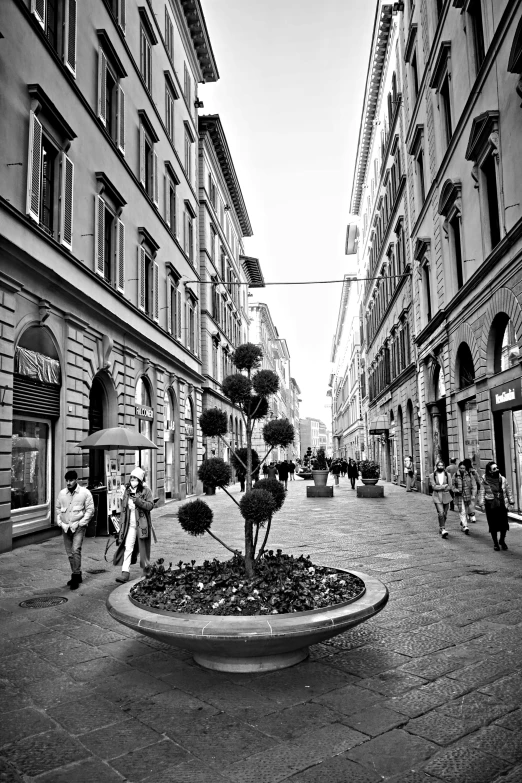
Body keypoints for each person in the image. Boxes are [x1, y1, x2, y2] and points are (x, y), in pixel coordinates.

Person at [113, 467, 155, 583]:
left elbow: (150, 506)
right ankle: (125, 572)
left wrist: (138, 501)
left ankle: (146, 571)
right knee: (128, 547)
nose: (132, 479)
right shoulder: (126, 490)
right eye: (131, 477)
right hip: (129, 525)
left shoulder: (146, 490)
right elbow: (123, 509)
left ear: (140, 480)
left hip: (142, 525)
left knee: (143, 549)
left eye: (135, 478)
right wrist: (121, 525)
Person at [56, 470, 94, 590]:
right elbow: (58, 508)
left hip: (78, 527)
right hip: (66, 527)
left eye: (71, 480)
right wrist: (61, 522)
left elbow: (90, 510)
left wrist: (82, 523)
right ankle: (77, 573)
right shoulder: (62, 494)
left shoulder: (85, 493)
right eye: (67, 480)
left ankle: (75, 576)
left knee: (75, 550)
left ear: (76, 480)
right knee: (69, 553)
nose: (68, 483)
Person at [477, 461, 515, 551]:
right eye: (494, 469)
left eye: (497, 468)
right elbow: (482, 492)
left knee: (504, 525)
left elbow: (508, 490)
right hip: (491, 505)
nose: (497, 469)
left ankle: (502, 540)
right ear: (490, 471)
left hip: (502, 504)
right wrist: (481, 504)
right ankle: (495, 543)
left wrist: (511, 502)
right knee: (493, 525)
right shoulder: (485, 480)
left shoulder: (502, 479)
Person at [452, 461, 477, 535]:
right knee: (462, 510)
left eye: (463, 468)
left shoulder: (469, 475)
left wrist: (473, 494)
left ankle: (463, 524)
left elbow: (474, 485)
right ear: (459, 468)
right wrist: (455, 490)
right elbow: (452, 485)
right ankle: (465, 526)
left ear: (465, 468)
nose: (462, 469)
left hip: (467, 496)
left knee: (465, 511)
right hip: (459, 496)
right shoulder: (455, 475)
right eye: (461, 468)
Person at [428, 460, 452, 538]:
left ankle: (441, 527)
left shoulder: (448, 475)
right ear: (436, 466)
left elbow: (450, 486)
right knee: (441, 513)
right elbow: (434, 487)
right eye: (439, 465)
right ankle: (443, 528)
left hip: (446, 496)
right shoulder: (432, 475)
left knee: (445, 513)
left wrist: (442, 487)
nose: (440, 467)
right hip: (437, 496)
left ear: (444, 466)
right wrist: (443, 486)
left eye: (442, 465)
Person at [462, 458, 480, 522]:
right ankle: (472, 515)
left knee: (466, 503)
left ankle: (469, 514)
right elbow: (478, 480)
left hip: (466, 488)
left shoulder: (463, 471)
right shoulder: (473, 471)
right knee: (472, 503)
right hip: (474, 489)